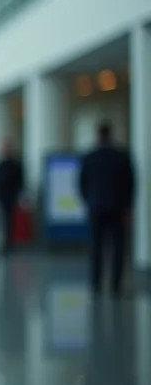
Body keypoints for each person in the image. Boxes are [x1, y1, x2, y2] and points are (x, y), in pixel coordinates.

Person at [78, 122, 135, 295]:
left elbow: (82, 183)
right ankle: (115, 285)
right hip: (117, 208)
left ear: (98, 135)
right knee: (118, 246)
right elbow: (130, 184)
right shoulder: (121, 156)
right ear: (110, 134)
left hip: (96, 207)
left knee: (96, 246)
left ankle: (96, 284)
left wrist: (89, 200)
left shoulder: (90, 157)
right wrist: (127, 206)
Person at [0, 140, 24, 253]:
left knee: (11, 220)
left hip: (12, 196)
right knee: (4, 220)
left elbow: (20, 181)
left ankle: (10, 242)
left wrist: (18, 194)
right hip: (3, 197)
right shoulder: (1, 164)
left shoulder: (16, 165)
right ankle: (5, 241)